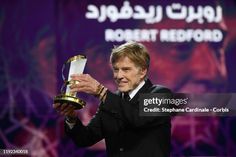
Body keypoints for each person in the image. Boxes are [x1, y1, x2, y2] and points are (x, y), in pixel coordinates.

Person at [53, 41, 172, 157]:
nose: (118, 76)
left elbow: (137, 118)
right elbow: (85, 139)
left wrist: (101, 92)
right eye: (116, 69)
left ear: (142, 71)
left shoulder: (162, 95)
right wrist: (71, 118)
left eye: (126, 69)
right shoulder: (109, 101)